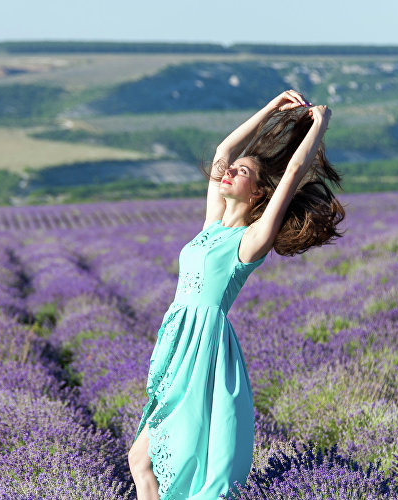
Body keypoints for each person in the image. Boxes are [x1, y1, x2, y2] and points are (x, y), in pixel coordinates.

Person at [126, 90, 345, 499]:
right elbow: (224, 149)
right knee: (142, 462)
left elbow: (295, 171)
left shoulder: (250, 241)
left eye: (240, 172)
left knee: (146, 458)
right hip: (177, 340)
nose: (227, 173)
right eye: (231, 170)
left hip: (203, 349)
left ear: (258, 192)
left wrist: (320, 125)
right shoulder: (212, 225)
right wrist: (270, 109)